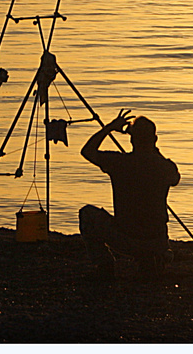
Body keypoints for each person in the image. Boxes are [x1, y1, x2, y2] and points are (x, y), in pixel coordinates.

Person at [78, 108, 181, 279]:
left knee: (87, 214)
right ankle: (154, 257)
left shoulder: (120, 162)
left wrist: (109, 128)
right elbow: (175, 179)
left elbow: (87, 151)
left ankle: (104, 264)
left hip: (127, 238)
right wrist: (153, 148)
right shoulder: (166, 167)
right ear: (154, 139)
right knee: (153, 242)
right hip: (157, 240)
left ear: (132, 140)